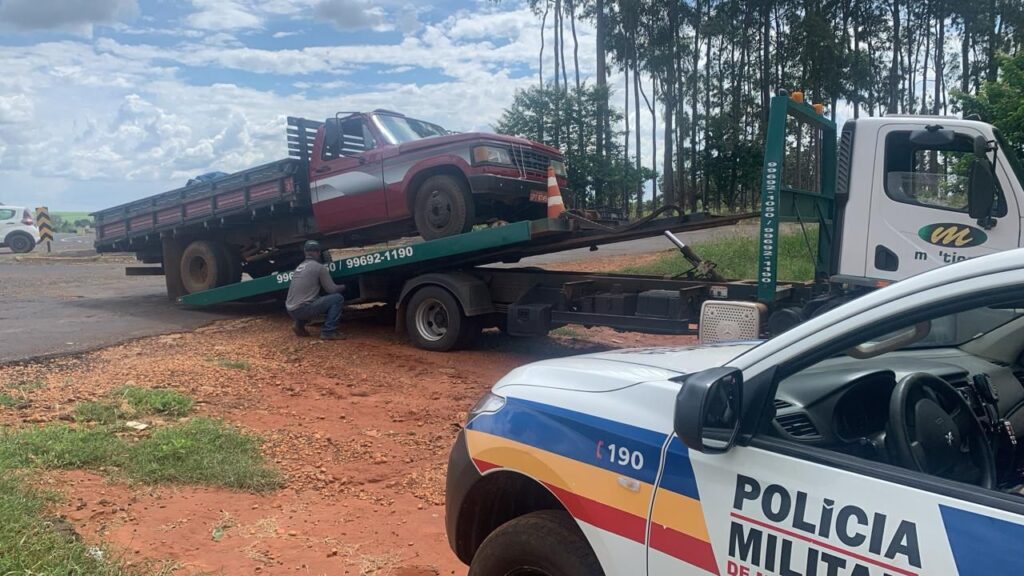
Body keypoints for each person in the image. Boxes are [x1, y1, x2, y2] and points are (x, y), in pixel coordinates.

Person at [285, 240, 346, 340]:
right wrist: (344, 286)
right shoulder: (319, 267)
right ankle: (328, 332)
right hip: (303, 309)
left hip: (291, 310)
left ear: (305, 252)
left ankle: (298, 325)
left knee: (312, 298)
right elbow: (332, 290)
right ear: (318, 252)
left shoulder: (299, 267)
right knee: (337, 298)